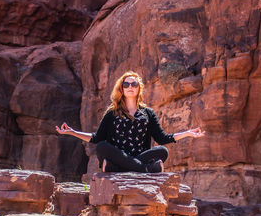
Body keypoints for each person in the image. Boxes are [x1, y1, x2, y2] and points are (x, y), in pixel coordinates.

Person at [56, 71, 205, 173]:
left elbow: (162, 138)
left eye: (134, 84)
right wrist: (72, 132)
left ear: (139, 88)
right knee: (102, 146)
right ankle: (145, 169)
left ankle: (118, 168)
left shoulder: (148, 113)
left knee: (163, 151)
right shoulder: (112, 113)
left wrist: (187, 133)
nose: (130, 87)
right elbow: (96, 138)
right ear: (121, 89)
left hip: (139, 155)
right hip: (119, 155)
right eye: (126, 85)